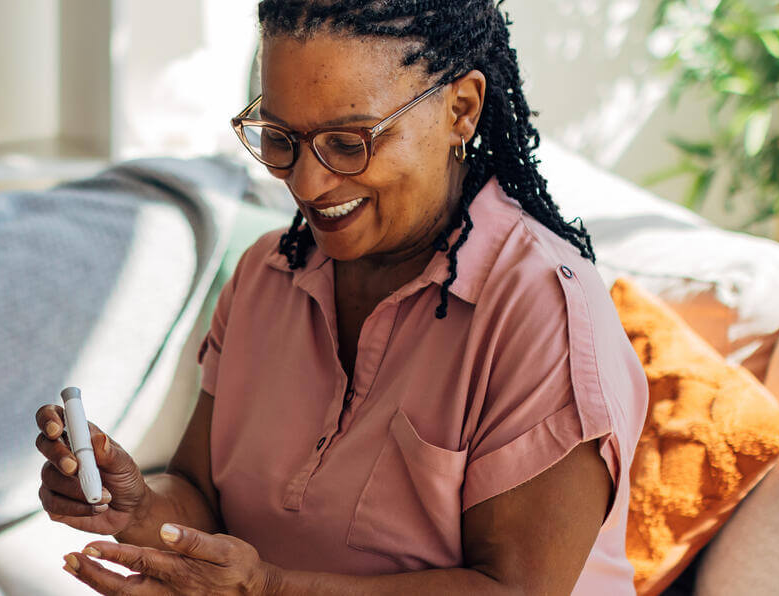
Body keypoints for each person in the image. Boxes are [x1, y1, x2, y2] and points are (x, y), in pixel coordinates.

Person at [33, 1, 650, 593]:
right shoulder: (267, 275)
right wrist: (140, 509)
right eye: (280, 138)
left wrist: (267, 590)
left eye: (349, 143)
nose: (306, 181)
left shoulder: (544, 313)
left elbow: (518, 590)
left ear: (460, 109)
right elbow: (202, 495)